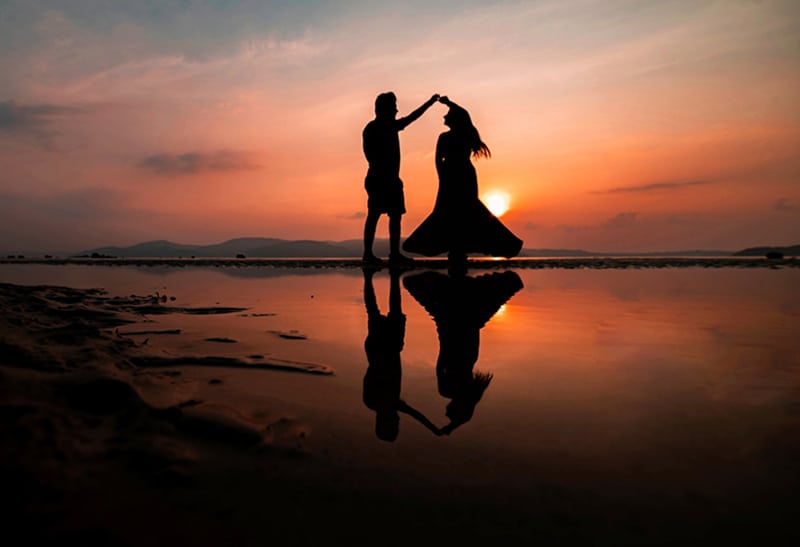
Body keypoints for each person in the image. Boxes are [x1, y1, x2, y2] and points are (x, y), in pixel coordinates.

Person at [402, 96, 523, 274]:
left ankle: (458, 250)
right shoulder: (453, 136)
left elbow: (438, 158)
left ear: (454, 119)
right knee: (450, 211)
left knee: (464, 210)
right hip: (455, 174)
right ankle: (456, 249)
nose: (444, 116)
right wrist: (441, 176)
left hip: (459, 175)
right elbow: (437, 159)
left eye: (447, 114)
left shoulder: (460, 134)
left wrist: (449, 103)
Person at [362, 268, 441, 441]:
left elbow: (369, 375)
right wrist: (434, 429)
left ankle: (374, 278)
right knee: (382, 310)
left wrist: (380, 363)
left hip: (382, 350)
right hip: (387, 348)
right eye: (397, 426)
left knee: (378, 310)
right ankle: (384, 278)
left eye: (394, 425)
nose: (398, 422)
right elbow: (416, 415)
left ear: (383, 422)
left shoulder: (380, 403)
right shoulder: (382, 404)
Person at [362, 92, 440, 266]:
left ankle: (389, 253)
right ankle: (373, 254)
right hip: (382, 179)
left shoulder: (376, 127)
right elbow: (412, 117)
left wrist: (428, 103)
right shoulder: (381, 127)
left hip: (383, 178)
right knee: (377, 215)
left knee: (391, 215)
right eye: (394, 106)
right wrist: (429, 102)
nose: (397, 110)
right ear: (385, 109)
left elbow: (411, 118)